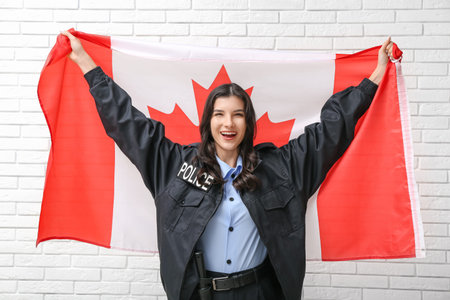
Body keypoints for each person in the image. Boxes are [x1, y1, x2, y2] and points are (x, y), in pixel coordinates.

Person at [62, 31, 394, 300]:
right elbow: (127, 123)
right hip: (199, 293)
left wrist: (375, 76)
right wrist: (86, 64)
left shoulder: (283, 168)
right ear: (208, 122)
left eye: (237, 114)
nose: (228, 123)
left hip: (261, 292)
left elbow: (331, 130)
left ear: (248, 123)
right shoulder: (172, 166)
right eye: (219, 114)